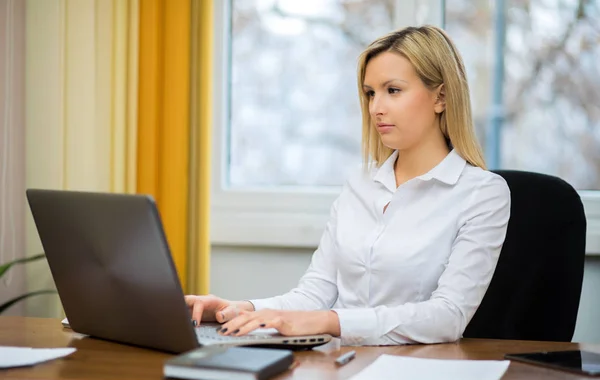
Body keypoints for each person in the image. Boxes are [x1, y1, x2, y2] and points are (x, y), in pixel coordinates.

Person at [185, 25, 511, 346]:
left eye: (392, 90)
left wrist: (332, 321)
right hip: (341, 367)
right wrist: (240, 310)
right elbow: (315, 293)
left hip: (420, 373)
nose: (376, 108)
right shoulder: (360, 183)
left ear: (440, 96)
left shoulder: (482, 193)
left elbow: (448, 316)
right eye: (370, 93)